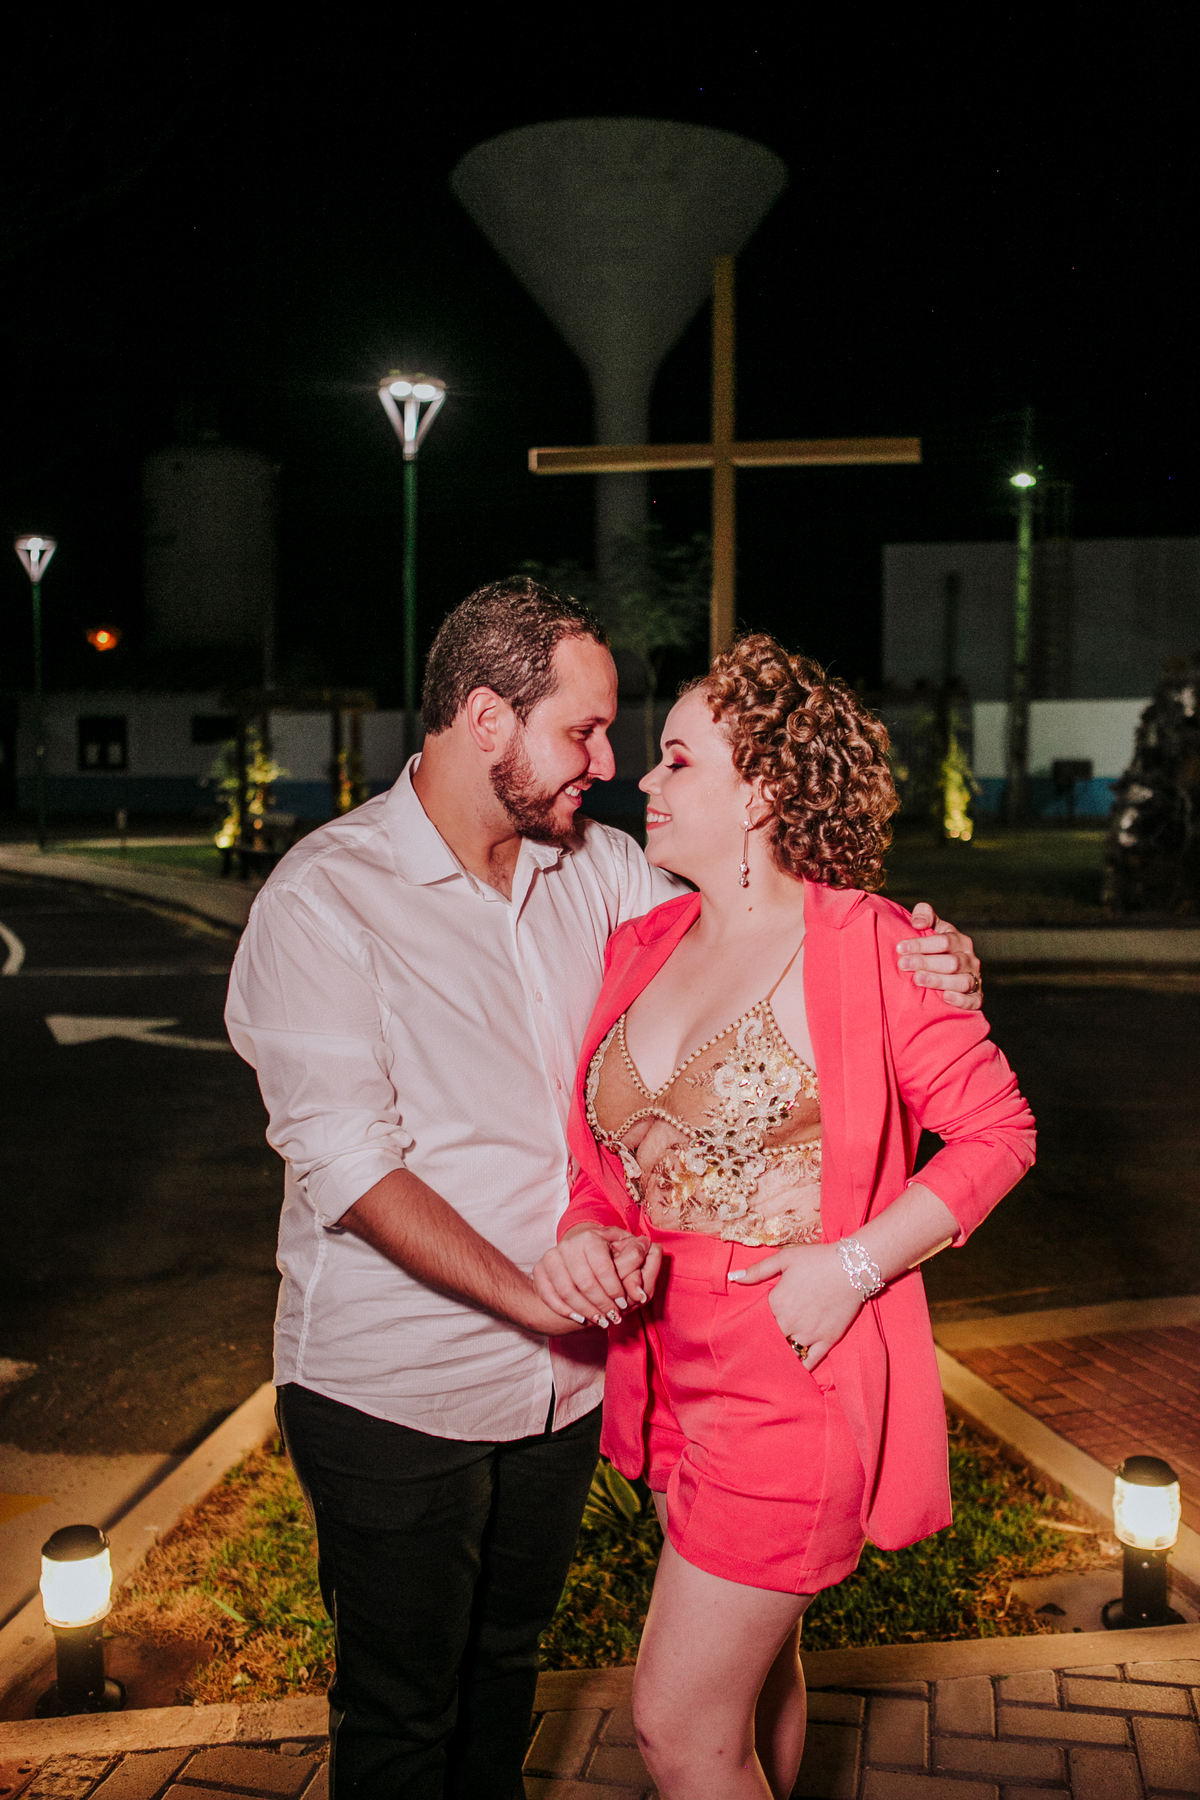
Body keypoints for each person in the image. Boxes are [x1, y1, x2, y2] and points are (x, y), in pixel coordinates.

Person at [224, 581, 985, 1800]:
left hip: (572, 1382)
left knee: (506, 1672)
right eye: (582, 730)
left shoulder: (605, 872)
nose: (610, 762)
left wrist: (932, 963)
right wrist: (532, 1295)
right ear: (487, 719)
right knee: (404, 1710)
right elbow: (349, 1165)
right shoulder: (326, 900)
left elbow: (766, 935)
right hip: (399, 1382)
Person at [535, 633, 1036, 1800]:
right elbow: (605, 1164)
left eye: (676, 759)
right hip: (666, 1371)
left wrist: (853, 1266)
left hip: (791, 1380)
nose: (643, 780)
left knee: (676, 1731)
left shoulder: (875, 947)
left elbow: (999, 1134)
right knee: (755, 1688)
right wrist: (585, 1232)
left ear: (761, 788)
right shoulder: (641, 942)